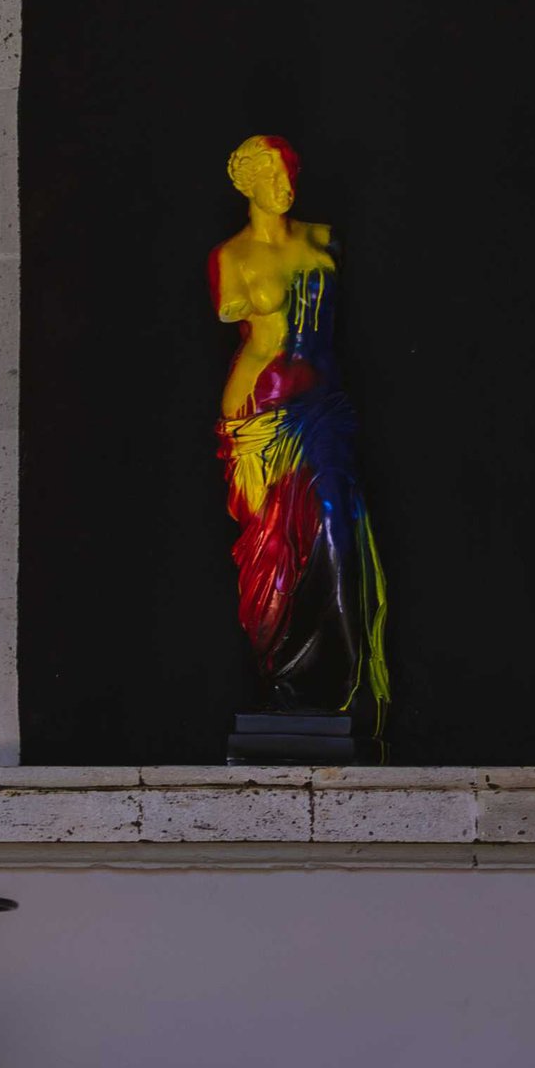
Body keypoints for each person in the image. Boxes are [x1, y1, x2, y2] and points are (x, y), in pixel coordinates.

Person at [209, 134, 389, 737]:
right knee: (274, 552)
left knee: (336, 525)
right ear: (247, 184)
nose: (283, 186)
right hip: (260, 413)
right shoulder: (231, 256)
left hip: (321, 408)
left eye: (288, 174)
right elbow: (239, 319)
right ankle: (285, 682)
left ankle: (334, 682)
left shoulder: (323, 238)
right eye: (270, 177)